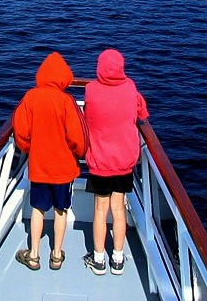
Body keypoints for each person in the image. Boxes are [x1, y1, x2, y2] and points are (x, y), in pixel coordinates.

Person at [12, 51, 88, 272]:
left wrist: (29, 149)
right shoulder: (67, 101)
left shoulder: (30, 98)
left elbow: (21, 132)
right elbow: (79, 138)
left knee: (37, 208)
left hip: (39, 165)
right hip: (64, 168)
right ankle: (56, 255)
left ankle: (34, 255)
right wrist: (79, 153)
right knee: (61, 210)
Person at [82, 48, 149, 276]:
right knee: (118, 209)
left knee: (100, 210)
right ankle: (118, 259)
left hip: (100, 160)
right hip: (123, 160)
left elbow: (88, 117)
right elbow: (142, 112)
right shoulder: (130, 88)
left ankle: (98, 259)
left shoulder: (91, 90)